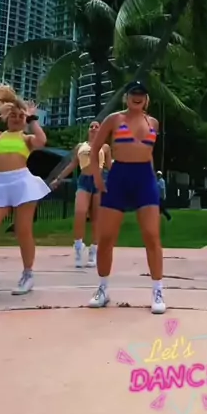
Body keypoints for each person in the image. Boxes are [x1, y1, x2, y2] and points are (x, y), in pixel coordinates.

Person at [86, 80, 165, 314]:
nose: (137, 97)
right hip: (119, 176)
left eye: (141, 94)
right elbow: (95, 148)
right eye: (133, 93)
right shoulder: (114, 119)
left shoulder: (153, 123)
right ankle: (102, 288)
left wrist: (152, 180)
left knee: (151, 235)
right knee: (106, 237)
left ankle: (157, 290)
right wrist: (97, 176)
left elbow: (149, 153)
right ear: (126, 97)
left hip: (144, 178)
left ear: (147, 99)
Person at [0, 84, 49, 298]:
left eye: (21, 116)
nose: (17, 118)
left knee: (23, 230)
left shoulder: (26, 138)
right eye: (13, 115)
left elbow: (42, 141)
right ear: (6, 118)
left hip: (22, 183)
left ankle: (27, 275)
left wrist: (32, 118)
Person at [50, 121, 112, 268]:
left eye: (97, 127)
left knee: (96, 218)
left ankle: (93, 252)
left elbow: (110, 166)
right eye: (91, 126)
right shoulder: (80, 146)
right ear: (88, 130)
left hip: (98, 180)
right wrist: (58, 179)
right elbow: (72, 164)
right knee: (80, 212)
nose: (94, 128)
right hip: (84, 180)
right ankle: (78, 247)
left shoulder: (105, 147)